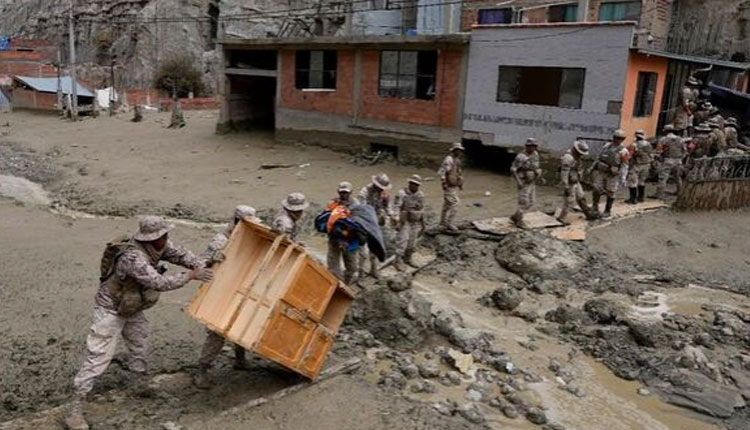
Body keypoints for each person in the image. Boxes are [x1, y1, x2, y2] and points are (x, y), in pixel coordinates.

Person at [66, 216, 212, 430]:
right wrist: (191, 275)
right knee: (98, 356)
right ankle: (75, 411)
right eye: (164, 236)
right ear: (152, 238)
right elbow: (158, 282)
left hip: (131, 306)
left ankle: (139, 384)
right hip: (110, 309)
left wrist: (201, 265)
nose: (167, 239)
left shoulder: (159, 245)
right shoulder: (134, 257)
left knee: (140, 343)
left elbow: (180, 254)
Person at [193, 205, 258, 389]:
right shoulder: (220, 241)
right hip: (220, 291)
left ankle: (240, 359)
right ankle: (202, 370)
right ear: (237, 222)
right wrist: (214, 258)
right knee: (217, 332)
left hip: (240, 287)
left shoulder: (248, 236)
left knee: (241, 324)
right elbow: (201, 262)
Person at [357, 173, 392, 279]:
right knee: (363, 252)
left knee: (375, 248)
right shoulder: (364, 193)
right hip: (364, 223)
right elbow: (361, 210)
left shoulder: (384, 194)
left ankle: (373, 269)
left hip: (376, 223)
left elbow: (388, 207)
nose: (381, 190)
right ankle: (360, 274)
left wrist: (391, 215)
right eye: (380, 188)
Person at [591, 129, 630, 218]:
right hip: (602, 171)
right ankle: (595, 206)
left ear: (622, 139)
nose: (617, 140)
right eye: (615, 137)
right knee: (596, 188)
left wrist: (623, 177)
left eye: (619, 138)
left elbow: (625, 165)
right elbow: (599, 157)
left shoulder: (623, 151)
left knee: (611, 192)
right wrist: (593, 167)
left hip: (613, 174)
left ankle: (607, 210)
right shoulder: (607, 146)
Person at [391, 175, 426, 271]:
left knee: (412, 241)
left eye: (416, 184)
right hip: (404, 219)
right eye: (412, 183)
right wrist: (396, 220)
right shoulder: (402, 193)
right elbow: (396, 207)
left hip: (415, 219)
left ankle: (408, 258)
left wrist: (423, 224)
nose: (414, 186)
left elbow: (422, 209)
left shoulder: (420, 195)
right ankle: (397, 260)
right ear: (409, 183)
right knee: (402, 240)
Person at [557, 140, 597, 224]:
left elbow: (578, 170)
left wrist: (580, 178)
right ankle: (562, 217)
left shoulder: (577, 158)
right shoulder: (568, 158)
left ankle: (588, 213)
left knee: (581, 196)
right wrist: (566, 186)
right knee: (570, 200)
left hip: (575, 180)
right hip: (569, 182)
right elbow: (564, 173)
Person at [326, 182, 358, 283]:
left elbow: (358, 224)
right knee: (333, 268)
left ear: (351, 192)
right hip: (334, 238)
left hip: (349, 239)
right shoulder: (333, 203)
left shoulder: (356, 205)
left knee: (352, 267)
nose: (343, 195)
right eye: (341, 192)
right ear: (338, 192)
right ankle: (336, 286)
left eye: (346, 192)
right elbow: (327, 220)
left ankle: (346, 284)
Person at [510, 138, 542, 229]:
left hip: (532, 181)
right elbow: (513, 169)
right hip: (523, 181)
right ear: (527, 146)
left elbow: (535, 165)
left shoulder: (535, 154)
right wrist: (518, 181)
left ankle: (515, 216)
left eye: (534, 146)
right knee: (524, 202)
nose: (533, 148)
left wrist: (538, 173)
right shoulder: (521, 157)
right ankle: (519, 221)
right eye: (531, 146)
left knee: (532, 202)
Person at [437, 142, 465, 232]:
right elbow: (442, 172)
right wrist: (444, 183)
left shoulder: (457, 161)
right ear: (454, 151)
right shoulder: (448, 160)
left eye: (461, 150)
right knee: (455, 203)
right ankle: (449, 223)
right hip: (448, 186)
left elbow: (458, 173)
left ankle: (442, 222)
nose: (460, 152)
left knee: (446, 205)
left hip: (453, 186)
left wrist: (460, 184)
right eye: (459, 150)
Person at [655, 124, 686, 200]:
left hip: (668, 160)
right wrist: (681, 158)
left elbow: (658, 151)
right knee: (677, 177)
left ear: (665, 131)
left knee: (663, 178)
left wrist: (659, 158)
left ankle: (659, 194)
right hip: (678, 161)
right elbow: (685, 150)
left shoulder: (663, 139)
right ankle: (680, 192)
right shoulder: (680, 139)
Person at [626, 129, 653, 204]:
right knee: (641, 181)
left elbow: (630, 155)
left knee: (632, 182)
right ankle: (641, 198)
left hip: (637, 165)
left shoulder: (634, 145)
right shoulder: (648, 144)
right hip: (646, 165)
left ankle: (633, 199)